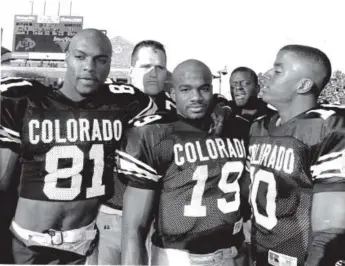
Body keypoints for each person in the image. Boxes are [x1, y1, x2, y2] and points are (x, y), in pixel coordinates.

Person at [0, 28, 156, 264]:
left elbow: (173, 117)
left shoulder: (124, 103)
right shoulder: (25, 101)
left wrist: (220, 110)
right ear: (67, 57)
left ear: (110, 63)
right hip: (27, 243)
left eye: (100, 59)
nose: (90, 67)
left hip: (83, 244)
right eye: (80, 56)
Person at [95, 40, 231, 265]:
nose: (152, 73)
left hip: (158, 219)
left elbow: (210, 102)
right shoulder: (109, 102)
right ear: (130, 70)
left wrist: (222, 107)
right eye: (145, 66)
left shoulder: (175, 108)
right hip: (112, 213)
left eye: (159, 67)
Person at [119, 59, 250, 266]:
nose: (196, 97)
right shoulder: (154, 133)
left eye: (204, 89)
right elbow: (134, 227)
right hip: (177, 257)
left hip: (232, 254)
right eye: (186, 89)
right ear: (172, 93)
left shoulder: (237, 128)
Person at [247, 44, 345, 266]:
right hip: (260, 255)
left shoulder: (327, 128)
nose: (267, 75)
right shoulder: (259, 127)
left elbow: (329, 232)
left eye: (278, 70)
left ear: (303, 85)